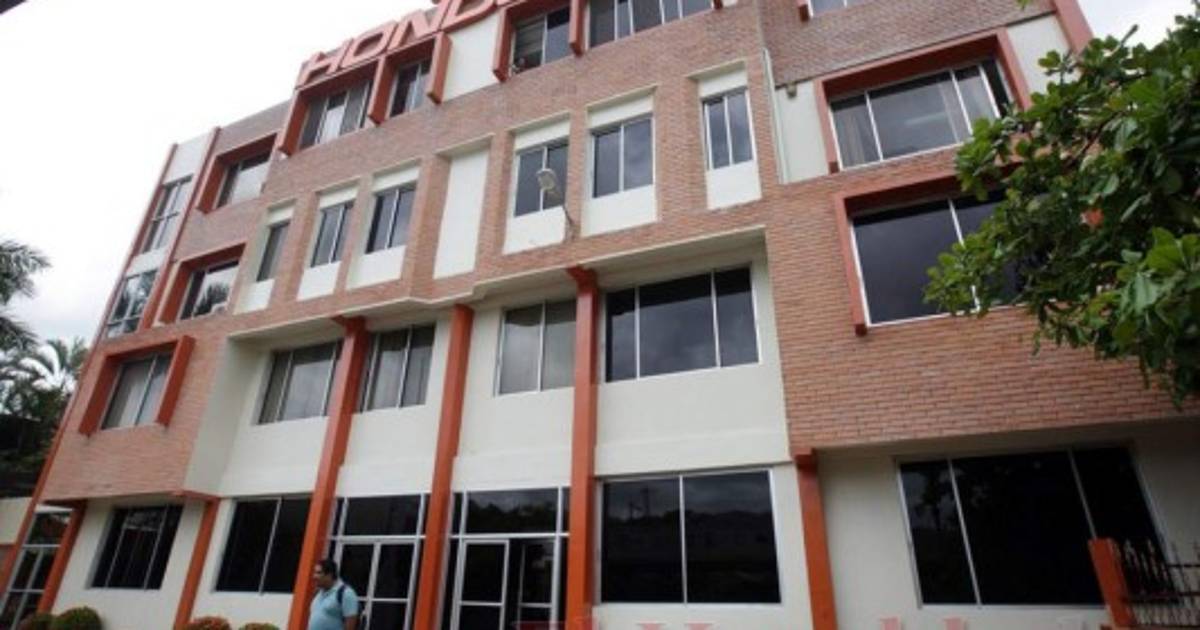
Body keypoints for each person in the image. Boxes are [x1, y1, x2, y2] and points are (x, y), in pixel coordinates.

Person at [309, 559, 360, 630]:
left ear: (329, 575)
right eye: (314, 572)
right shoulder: (318, 593)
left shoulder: (346, 593)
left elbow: (350, 625)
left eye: (318, 573)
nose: (314, 576)